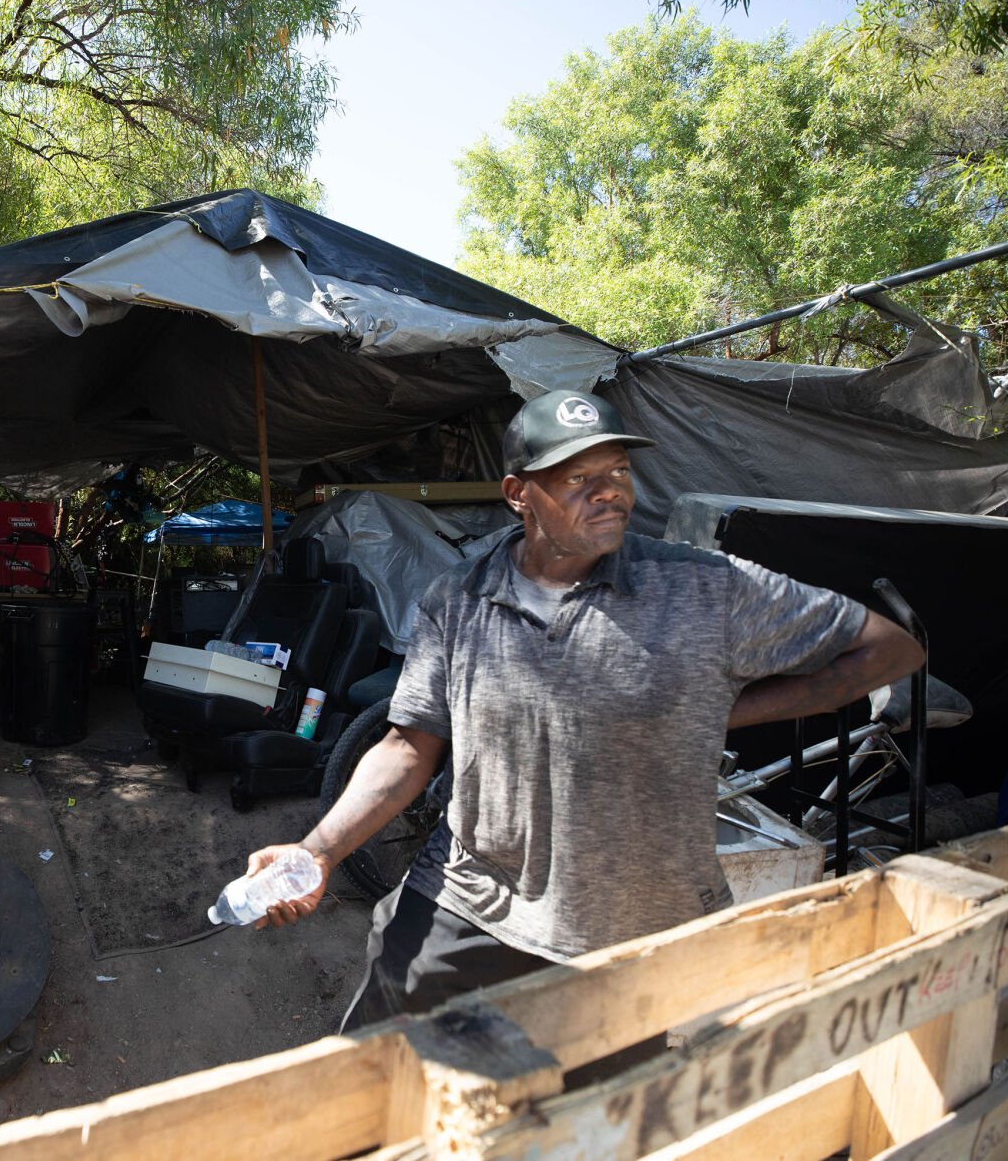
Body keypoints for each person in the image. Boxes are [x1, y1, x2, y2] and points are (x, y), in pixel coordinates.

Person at [246, 388, 925, 1033]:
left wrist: (721, 712)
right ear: (519, 494)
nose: (610, 491)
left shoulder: (704, 588)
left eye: (619, 470)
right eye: (578, 477)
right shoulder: (456, 601)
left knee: (583, 1122)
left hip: (634, 927)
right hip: (472, 905)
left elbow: (887, 649)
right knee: (389, 1079)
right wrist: (316, 853)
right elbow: (405, 747)